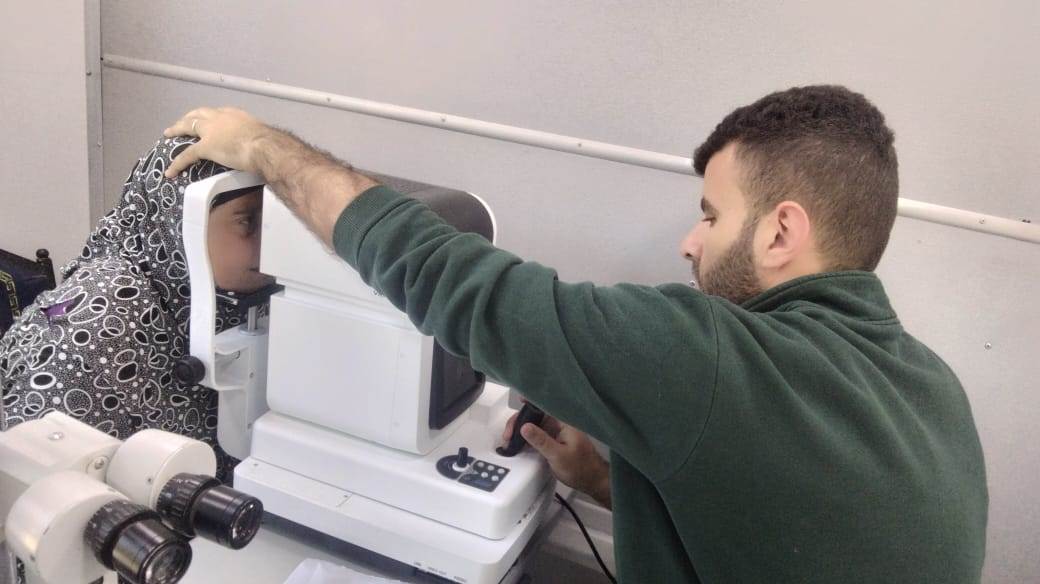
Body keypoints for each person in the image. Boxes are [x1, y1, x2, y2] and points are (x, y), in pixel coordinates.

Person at [163, 85, 988, 583]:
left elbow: (445, 276)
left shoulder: (711, 354)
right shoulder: (934, 390)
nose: (690, 243)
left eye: (710, 216)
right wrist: (601, 479)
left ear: (781, 233)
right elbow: (769, 533)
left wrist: (262, 145)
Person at [0, 136, 272, 480]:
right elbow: (33, 487)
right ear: (177, 221)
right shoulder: (95, 325)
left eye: (272, 221)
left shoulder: (229, 299)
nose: (268, 244)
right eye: (247, 221)